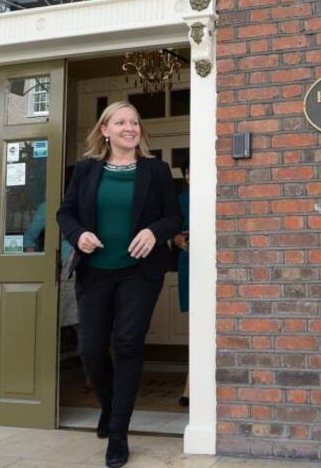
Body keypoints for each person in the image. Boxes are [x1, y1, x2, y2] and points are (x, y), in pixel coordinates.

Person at [56, 101, 181, 468]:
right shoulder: (86, 170)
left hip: (138, 274)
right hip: (94, 271)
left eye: (135, 122)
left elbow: (174, 217)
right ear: (105, 130)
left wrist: (153, 231)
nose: (130, 127)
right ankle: (110, 408)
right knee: (91, 349)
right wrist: (78, 235)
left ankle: (118, 434)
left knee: (127, 345)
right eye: (121, 122)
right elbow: (66, 213)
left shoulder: (155, 170)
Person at [172, 167, 190, 406]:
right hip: (189, 259)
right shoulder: (181, 200)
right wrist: (180, 239)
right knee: (195, 323)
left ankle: (191, 384)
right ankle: (191, 382)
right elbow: (173, 234)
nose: (190, 176)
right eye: (188, 172)